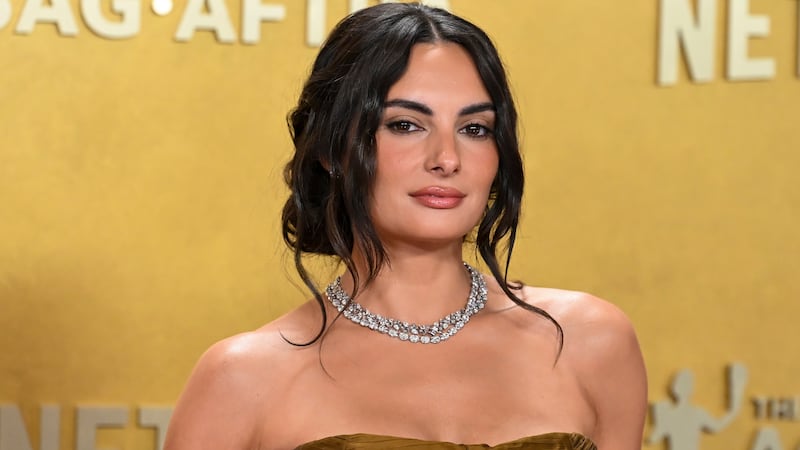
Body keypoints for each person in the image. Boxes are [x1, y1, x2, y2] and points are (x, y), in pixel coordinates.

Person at [163, 3, 647, 450]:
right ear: (331, 149)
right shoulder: (242, 379)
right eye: (404, 125)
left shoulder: (591, 341)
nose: (447, 159)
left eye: (474, 129)